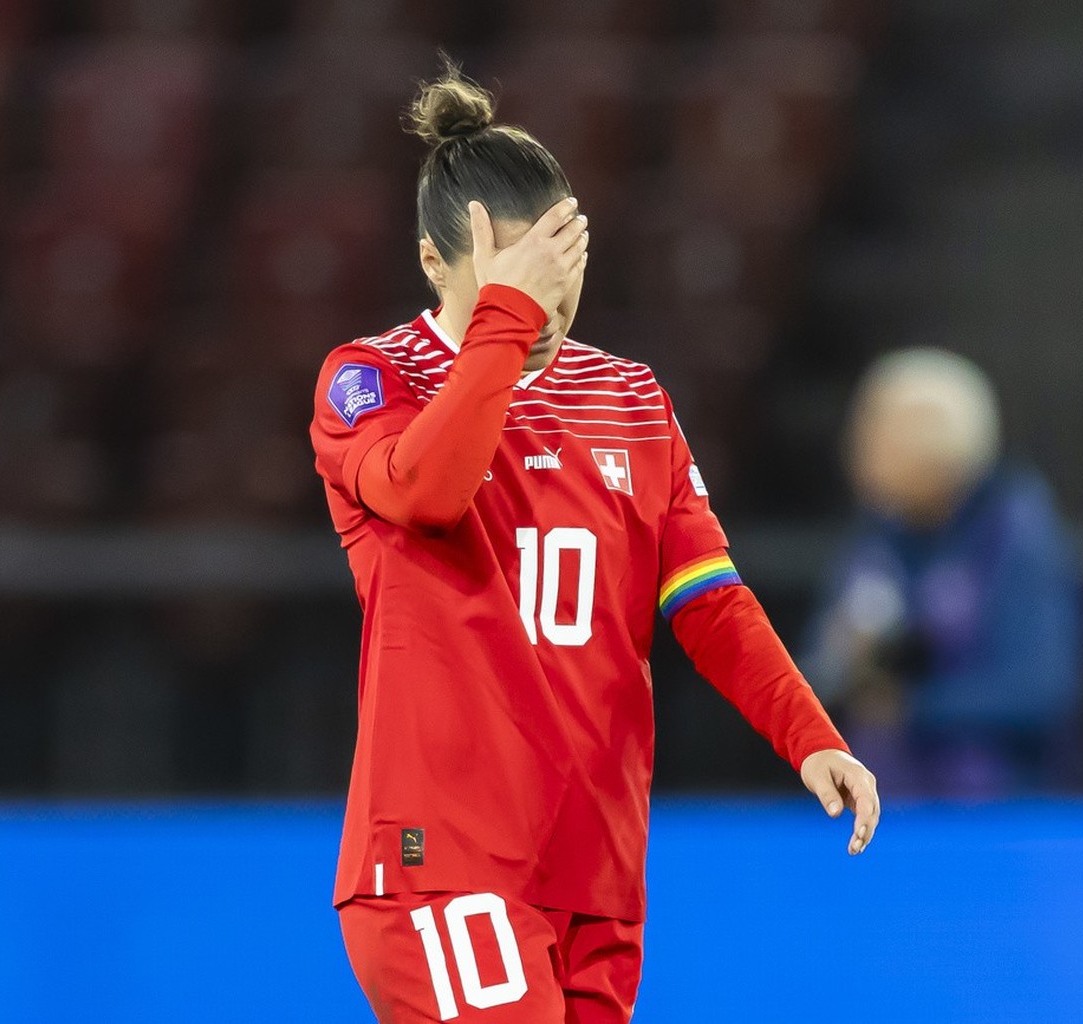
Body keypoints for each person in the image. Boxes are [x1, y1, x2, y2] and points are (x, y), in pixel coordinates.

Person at [308, 64, 878, 1024]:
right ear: (433, 264)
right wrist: (507, 320)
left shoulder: (630, 398)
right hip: (443, 855)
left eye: (561, 275)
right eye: (518, 277)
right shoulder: (370, 379)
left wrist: (807, 731)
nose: (547, 308)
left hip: (594, 860)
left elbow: (707, 598)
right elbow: (428, 489)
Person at [804, 348, 1083, 797]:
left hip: (995, 813)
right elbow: (818, 671)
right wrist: (843, 661)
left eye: (883, 432)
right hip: (878, 809)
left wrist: (912, 709)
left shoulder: (1014, 533)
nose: (862, 450)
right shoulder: (876, 534)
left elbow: (1039, 690)